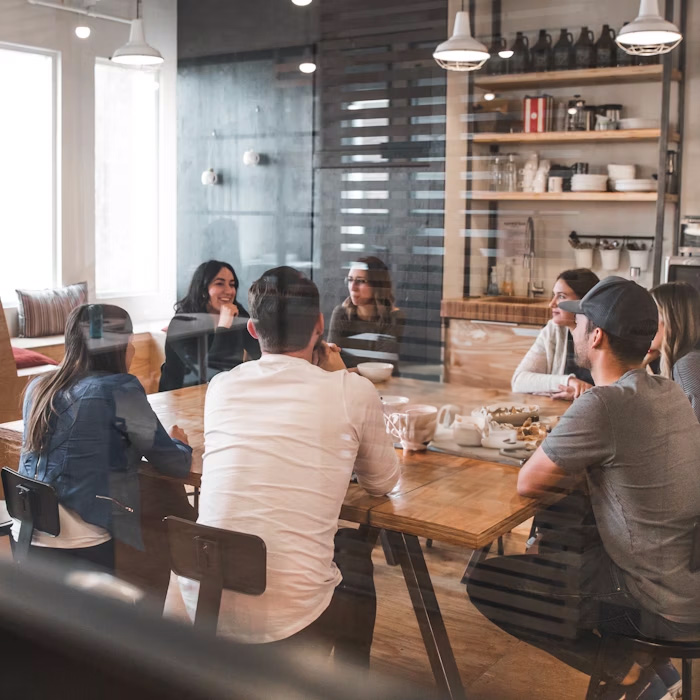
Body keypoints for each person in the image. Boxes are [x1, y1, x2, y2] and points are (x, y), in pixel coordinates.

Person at [467, 277, 700, 700]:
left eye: (578, 322)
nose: (569, 327)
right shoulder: (666, 390)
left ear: (596, 335)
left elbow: (529, 481)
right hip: (688, 582)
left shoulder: (604, 403)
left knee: (489, 582)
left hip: (653, 603)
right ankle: (653, 667)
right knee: (567, 532)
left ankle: (628, 668)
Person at [177, 266, 401, 663]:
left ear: (251, 329)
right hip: (290, 618)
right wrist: (341, 377)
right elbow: (382, 482)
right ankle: (351, 684)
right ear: (319, 325)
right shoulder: (352, 390)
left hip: (203, 601)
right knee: (354, 558)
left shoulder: (222, 387)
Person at [15, 304, 192, 574]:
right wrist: (180, 442)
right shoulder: (120, 390)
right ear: (119, 346)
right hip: (80, 542)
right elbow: (174, 464)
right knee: (162, 517)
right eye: (130, 342)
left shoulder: (38, 387)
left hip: (26, 535)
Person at [159, 260, 261, 391]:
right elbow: (211, 373)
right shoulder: (182, 323)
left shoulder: (237, 313)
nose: (229, 291)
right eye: (219, 284)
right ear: (202, 290)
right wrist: (224, 326)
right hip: (181, 397)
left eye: (232, 284)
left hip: (224, 392)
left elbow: (260, 353)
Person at [512, 268, 599, 399]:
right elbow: (519, 381)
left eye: (561, 296)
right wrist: (569, 382)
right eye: (554, 295)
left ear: (584, 302)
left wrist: (584, 393)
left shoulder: (604, 334)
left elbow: (617, 392)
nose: (551, 304)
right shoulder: (554, 329)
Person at [327, 256, 405, 372]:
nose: (353, 287)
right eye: (350, 280)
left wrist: (343, 372)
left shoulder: (393, 317)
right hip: (348, 384)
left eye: (361, 281)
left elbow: (381, 368)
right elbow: (330, 360)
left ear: (377, 285)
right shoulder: (341, 313)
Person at [649, 281, 700, 420]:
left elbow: (692, 434)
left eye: (652, 313)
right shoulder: (682, 362)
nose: (644, 321)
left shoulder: (687, 365)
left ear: (671, 320)